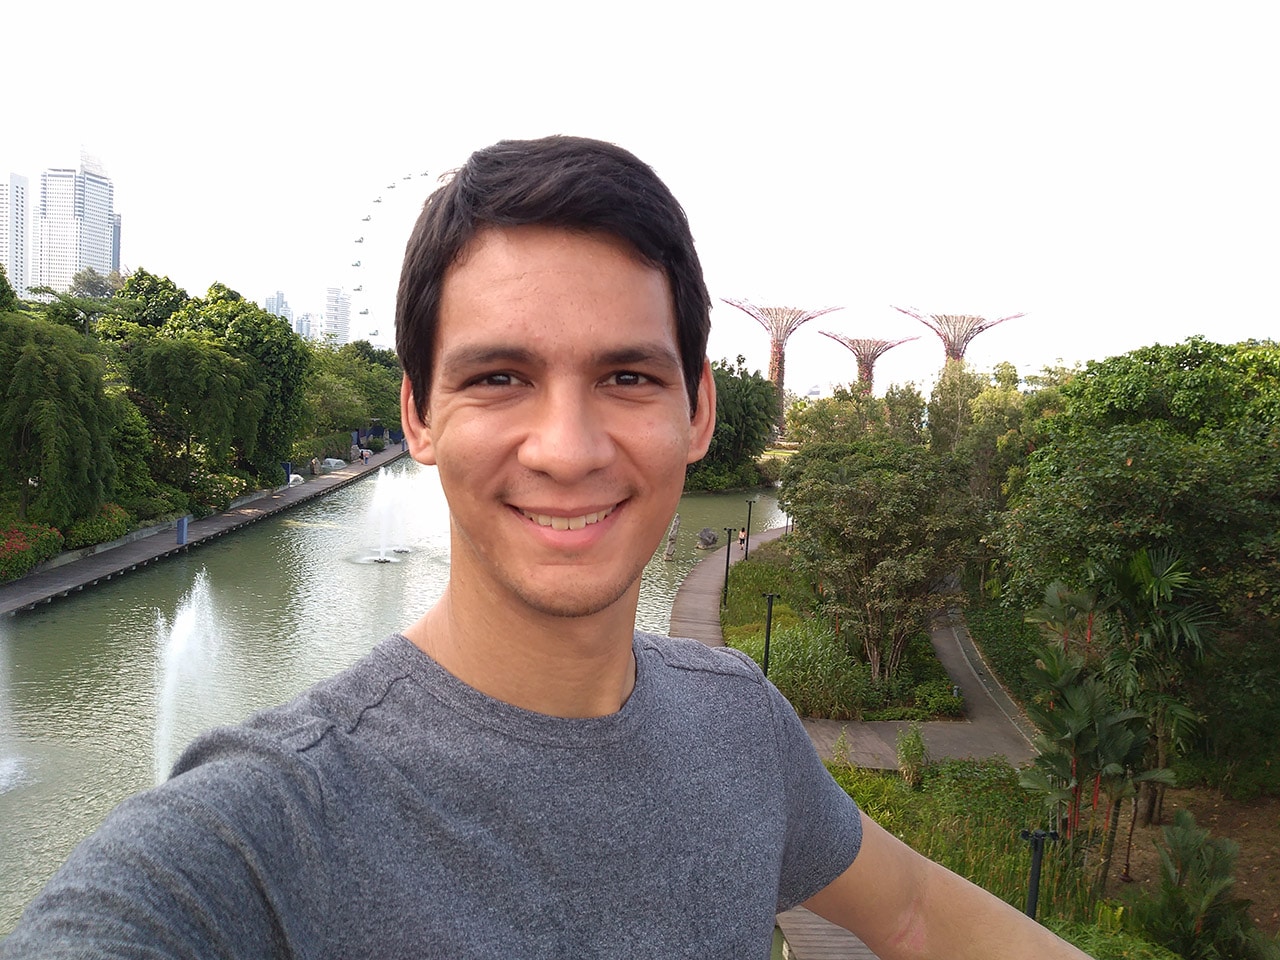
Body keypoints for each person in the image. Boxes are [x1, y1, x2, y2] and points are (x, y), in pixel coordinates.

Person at [1, 136, 1090, 959]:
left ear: (698, 412)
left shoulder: (738, 721)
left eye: (627, 376)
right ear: (418, 416)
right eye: (498, 377)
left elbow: (909, 912)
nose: (567, 450)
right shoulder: (260, 831)